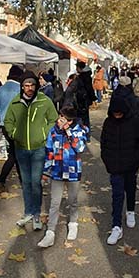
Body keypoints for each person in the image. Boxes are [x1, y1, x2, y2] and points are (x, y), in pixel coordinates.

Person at [4, 71, 58, 231]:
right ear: (22, 86)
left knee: (36, 182)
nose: (29, 88)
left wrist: (44, 133)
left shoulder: (44, 101)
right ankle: (28, 212)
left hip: (38, 148)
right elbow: (8, 121)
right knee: (26, 182)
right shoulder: (15, 103)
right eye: (26, 85)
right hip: (20, 148)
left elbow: (53, 119)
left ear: (36, 85)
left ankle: (36, 214)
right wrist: (14, 134)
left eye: (32, 85)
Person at [37, 105, 89, 248]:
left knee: (72, 200)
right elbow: (49, 151)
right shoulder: (53, 131)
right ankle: (50, 232)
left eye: (63, 118)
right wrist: (46, 172)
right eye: (60, 116)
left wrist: (68, 131)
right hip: (57, 171)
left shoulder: (80, 130)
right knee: (55, 202)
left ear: (70, 121)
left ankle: (73, 223)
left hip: (73, 171)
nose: (60, 120)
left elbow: (80, 148)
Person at [100, 96, 139, 245]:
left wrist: (135, 159)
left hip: (130, 165)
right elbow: (104, 143)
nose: (117, 116)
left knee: (130, 188)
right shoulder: (108, 123)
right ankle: (116, 226)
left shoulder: (134, 122)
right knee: (117, 195)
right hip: (114, 166)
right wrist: (107, 160)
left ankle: (130, 210)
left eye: (120, 113)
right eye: (115, 113)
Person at [0, 65, 23, 193]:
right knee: (16, 154)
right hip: (18, 125)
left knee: (16, 153)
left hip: (5, 126)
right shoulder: (20, 90)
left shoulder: (0, 90)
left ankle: (3, 182)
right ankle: (1, 181)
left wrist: (2, 118)